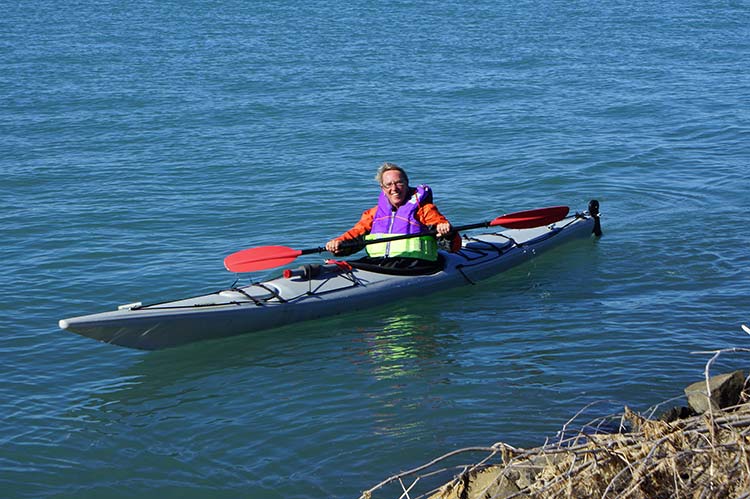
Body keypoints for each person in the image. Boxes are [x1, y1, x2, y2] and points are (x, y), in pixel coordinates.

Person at [325, 163, 456, 269]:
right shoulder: (373, 214)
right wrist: (338, 243)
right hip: (379, 263)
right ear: (382, 188)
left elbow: (453, 245)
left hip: (415, 264)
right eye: (389, 184)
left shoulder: (424, 210)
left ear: (406, 184)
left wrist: (446, 232)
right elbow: (355, 234)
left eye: (399, 183)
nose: (394, 188)